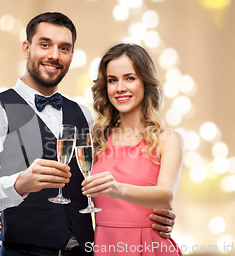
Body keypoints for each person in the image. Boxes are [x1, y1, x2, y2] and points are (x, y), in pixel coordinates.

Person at [0, 13, 176, 256]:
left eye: (63, 48)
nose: (54, 55)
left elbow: (115, 178)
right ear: (26, 48)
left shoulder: (83, 114)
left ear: (71, 56)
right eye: (45, 44)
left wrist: (156, 214)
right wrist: (20, 183)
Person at [81, 43, 184, 255]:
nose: (120, 88)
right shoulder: (95, 140)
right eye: (112, 80)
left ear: (145, 82)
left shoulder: (168, 140)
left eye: (130, 78)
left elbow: (166, 196)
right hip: (103, 247)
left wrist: (118, 189)